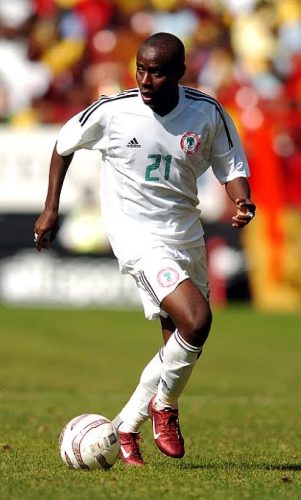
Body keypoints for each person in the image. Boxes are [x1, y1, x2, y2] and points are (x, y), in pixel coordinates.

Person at [34, 32, 256, 466]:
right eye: (140, 69)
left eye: (156, 72)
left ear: (179, 73)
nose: (145, 79)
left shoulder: (206, 112)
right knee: (197, 320)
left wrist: (241, 198)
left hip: (185, 233)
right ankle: (165, 407)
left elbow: (231, 165)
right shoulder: (113, 112)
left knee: (181, 341)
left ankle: (126, 424)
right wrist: (50, 210)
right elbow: (63, 146)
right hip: (137, 236)